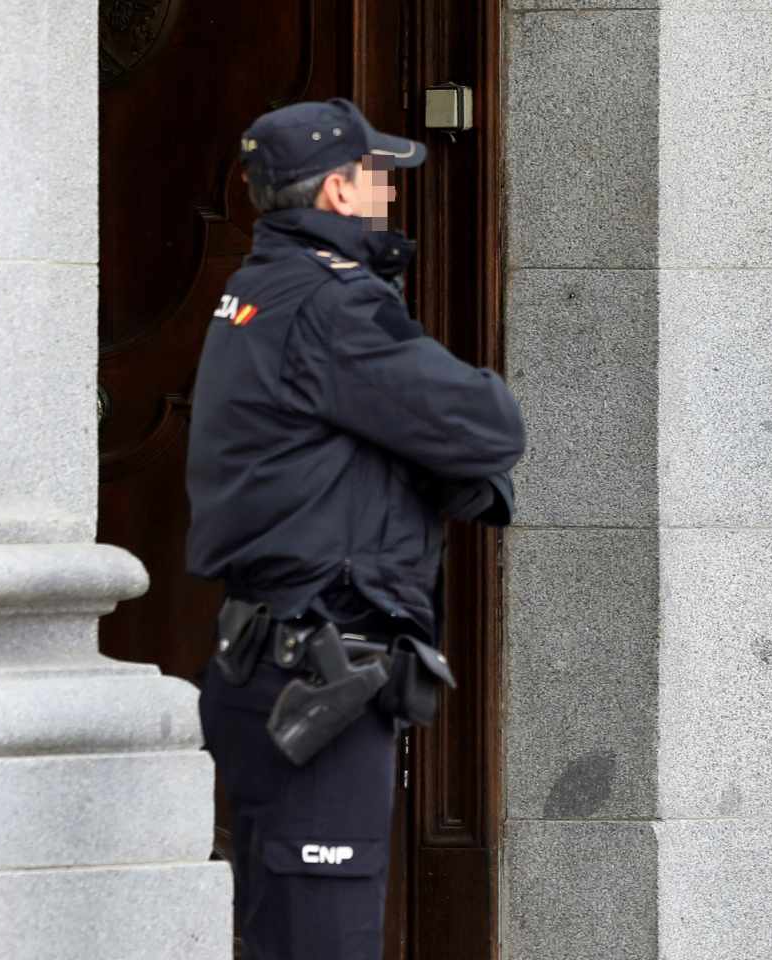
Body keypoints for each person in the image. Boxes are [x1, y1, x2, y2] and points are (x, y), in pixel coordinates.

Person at [186, 98, 525, 959]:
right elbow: (490, 425)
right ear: (339, 192)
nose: (389, 194)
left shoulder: (254, 287)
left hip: (266, 662)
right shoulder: (333, 307)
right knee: (321, 943)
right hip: (319, 673)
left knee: (281, 932)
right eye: (377, 177)